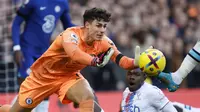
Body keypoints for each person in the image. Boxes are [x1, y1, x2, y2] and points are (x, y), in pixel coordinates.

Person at [0, 7, 141, 112]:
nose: (102, 30)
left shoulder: (104, 42)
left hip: (67, 77)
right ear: (87, 25)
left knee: (87, 97)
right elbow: (74, 53)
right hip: (42, 78)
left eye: (104, 26)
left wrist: (136, 62)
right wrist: (94, 61)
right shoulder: (70, 35)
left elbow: (120, 59)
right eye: (98, 25)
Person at [11, 0, 74, 111]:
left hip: (44, 52)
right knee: (28, 86)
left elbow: (68, 26)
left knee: (45, 88)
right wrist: (16, 47)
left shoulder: (63, 3)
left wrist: (84, 31)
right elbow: (16, 23)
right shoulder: (33, 1)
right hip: (27, 49)